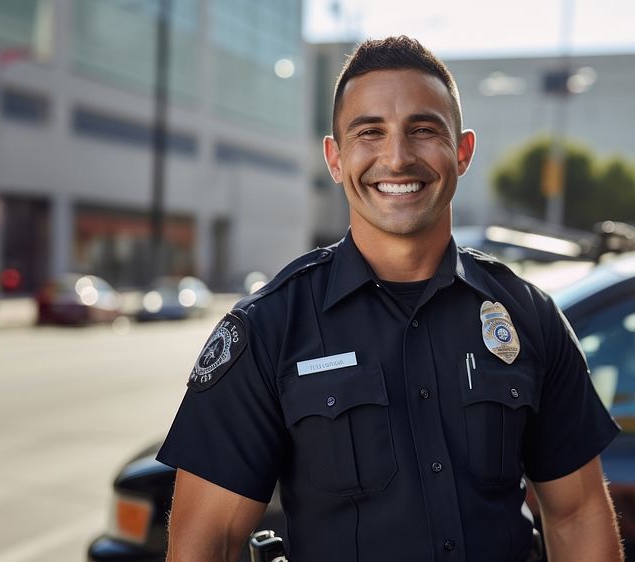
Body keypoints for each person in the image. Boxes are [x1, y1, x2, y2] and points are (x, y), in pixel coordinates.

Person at [157, 36, 622, 562]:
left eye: (424, 130)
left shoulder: (529, 316)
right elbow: (205, 543)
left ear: (462, 152)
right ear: (334, 159)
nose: (397, 158)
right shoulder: (269, 327)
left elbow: (578, 515)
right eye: (369, 132)